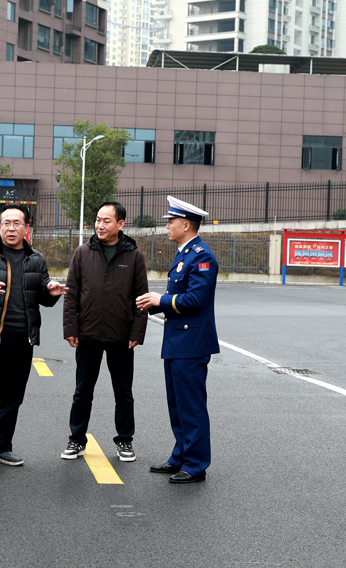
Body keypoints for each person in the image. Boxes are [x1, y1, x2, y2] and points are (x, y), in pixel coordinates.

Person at [0, 204, 66, 471]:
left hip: (23, 339)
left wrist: (51, 293)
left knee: (13, 396)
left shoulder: (36, 259)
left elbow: (42, 295)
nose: (11, 228)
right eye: (6, 223)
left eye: (16, 223)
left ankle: (1, 447)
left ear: (26, 228)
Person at [136, 196, 219, 484]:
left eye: (171, 221)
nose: (167, 226)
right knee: (177, 404)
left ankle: (195, 464)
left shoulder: (202, 256)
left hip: (191, 344)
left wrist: (161, 300)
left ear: (186, 225)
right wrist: (153, 303)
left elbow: (195, 299)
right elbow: (178, 297)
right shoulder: (185, 254)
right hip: (177, 342)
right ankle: (180, 456)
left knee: (191, 405)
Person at [61, 201, 149, 462]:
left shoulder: (134, 256)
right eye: (98, 220)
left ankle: (125, 440)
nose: (99, 225)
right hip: (87, 334)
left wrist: (137, 332)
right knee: (82, 391)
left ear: (121, 224)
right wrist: (71, 328)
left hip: (121, 336)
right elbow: (71, 295)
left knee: (123, 393)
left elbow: (141, 298)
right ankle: (77, 439)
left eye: (106, 221)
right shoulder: (82, 253)